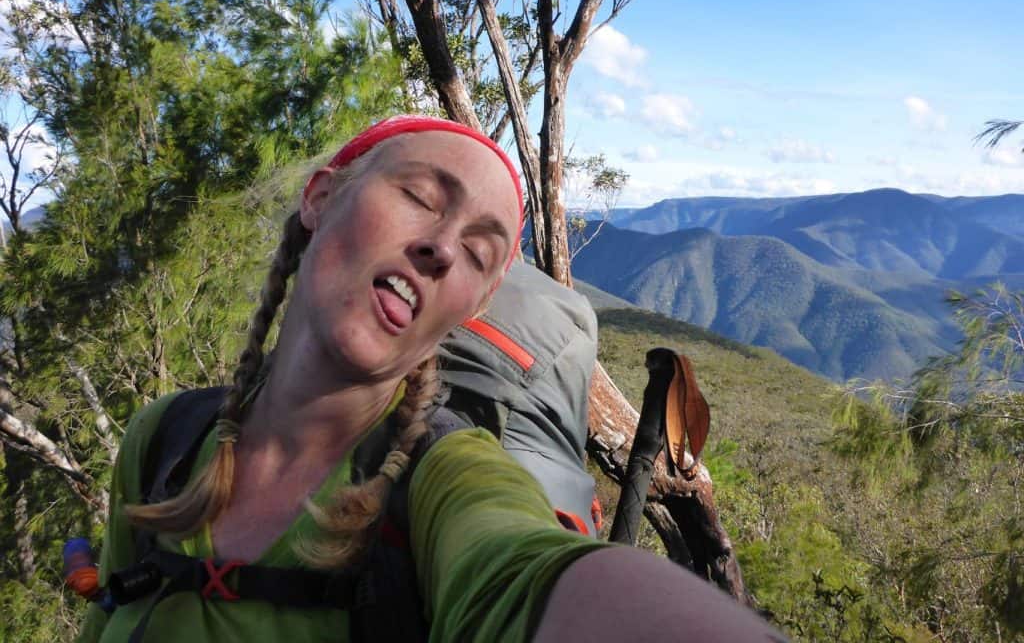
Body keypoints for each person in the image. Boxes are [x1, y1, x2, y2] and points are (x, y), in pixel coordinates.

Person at [78, 115, 784, 642]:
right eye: (419, 195)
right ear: (320, 198)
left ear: (471, 307)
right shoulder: (165, 439)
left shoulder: (445, 477)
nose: (444, 247)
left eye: (480, 253)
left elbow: (520, 565)